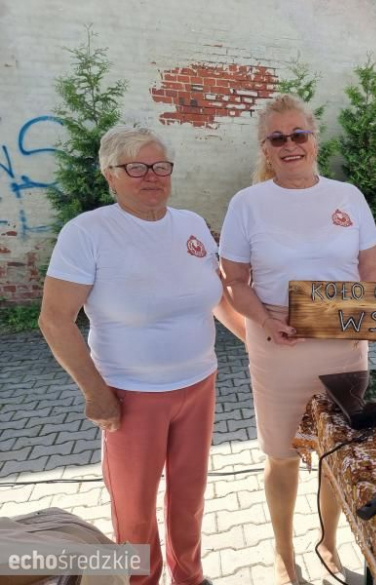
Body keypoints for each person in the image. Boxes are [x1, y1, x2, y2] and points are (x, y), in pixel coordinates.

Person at [38, 126, 246, 585]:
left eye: (159, 166)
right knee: (134, 509)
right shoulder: (87, 232)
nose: (150, 176)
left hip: (199, 384)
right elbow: (54, 320)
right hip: (131, 395)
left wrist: (256, 341)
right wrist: (96, 393)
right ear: (109, 175)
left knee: (189, 496)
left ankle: (189, 576)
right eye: (136, 167)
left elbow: (216, 298)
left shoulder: (190, 224)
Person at [218, 94, 376, 585]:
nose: (290, 144)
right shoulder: (247, 204)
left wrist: (375, 312)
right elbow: (235, 282)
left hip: (343, 343)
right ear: (265, 149)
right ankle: (282, 554)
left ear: (314, 138)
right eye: (278, 138)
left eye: (299, 134)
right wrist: (265, 323)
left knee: (337, 450)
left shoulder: (348, 196)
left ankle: (330, 543)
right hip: (278, 346)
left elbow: (370, 268)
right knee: (281, 454)